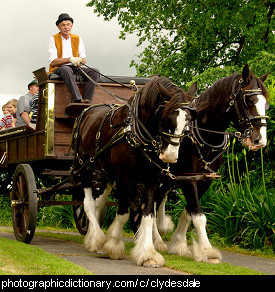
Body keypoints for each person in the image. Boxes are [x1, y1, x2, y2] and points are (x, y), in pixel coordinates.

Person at [48, 13, 100, 103]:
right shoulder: (53, 39)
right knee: (66, 69)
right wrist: (69, 59)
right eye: (63, 25)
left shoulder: (78, 38)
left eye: (68, 25)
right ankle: (78, 100)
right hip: (59, 68)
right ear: (58, 27)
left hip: (75, 67)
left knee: (95, 72)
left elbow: (83, 59)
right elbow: (53, 61)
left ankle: (87, 101)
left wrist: (80, 61)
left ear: (71, 26)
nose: (66, 27)